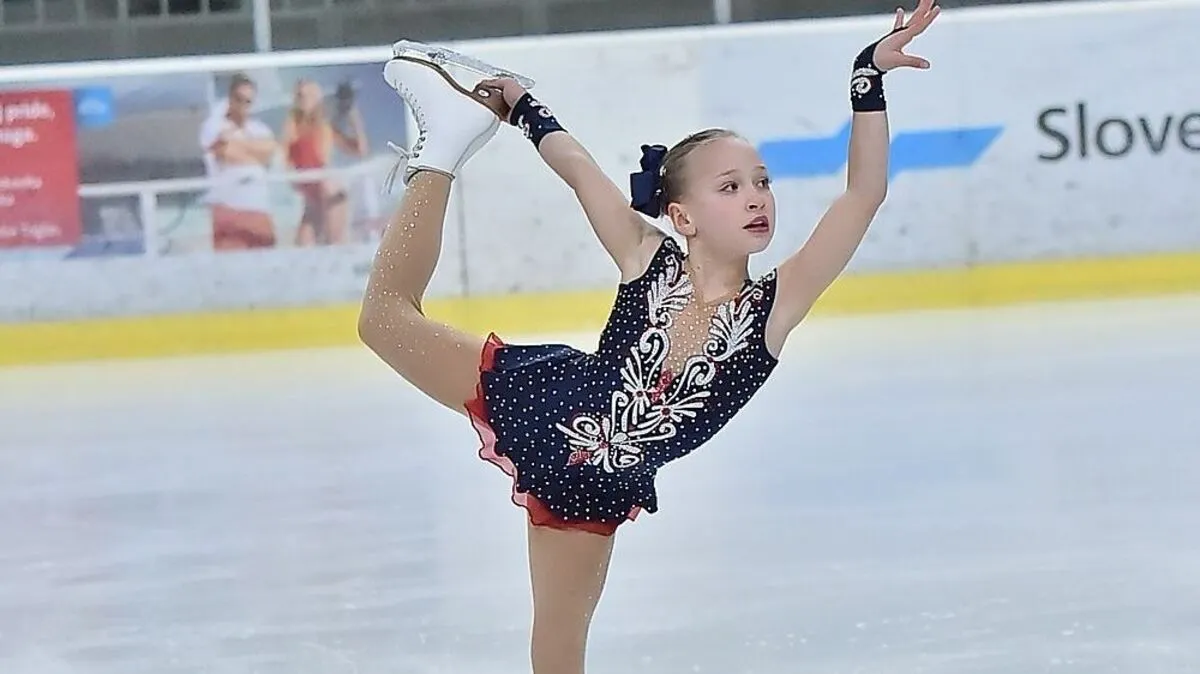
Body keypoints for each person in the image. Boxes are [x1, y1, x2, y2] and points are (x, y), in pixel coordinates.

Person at [358, 2, 940, 672]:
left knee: (555, 657)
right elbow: (579, 168)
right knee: (383, 319)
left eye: (761, 183)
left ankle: (448, 141)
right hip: (544, 399)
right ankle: (443, 149)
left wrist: (866, 79)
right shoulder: (648, 256)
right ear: (681, 216)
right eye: (731, 186)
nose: (756, 197)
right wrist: (522, 107)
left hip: (592, 487)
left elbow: (862, 195)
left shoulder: (773, 308)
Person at [282, 78, 369, 247]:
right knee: (303, 246)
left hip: (328, 192)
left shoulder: (325, 126)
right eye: (300, 95)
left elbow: (360, 151)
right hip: (312, 195)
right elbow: (285, 154)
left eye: (308, 95)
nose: (303, 99)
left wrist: (353, 117)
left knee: (334, 245)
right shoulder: (293, 125)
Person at [199, 73, 279, 251]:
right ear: (230, 99)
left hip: (259, 208)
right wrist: (253, 153)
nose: (243, 106)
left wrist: (238, 145)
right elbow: (226, 154)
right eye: (239, 99)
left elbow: (268, 151)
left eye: (248, 101)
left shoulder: (260, 128)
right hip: (229, 207)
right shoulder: (213, 126)